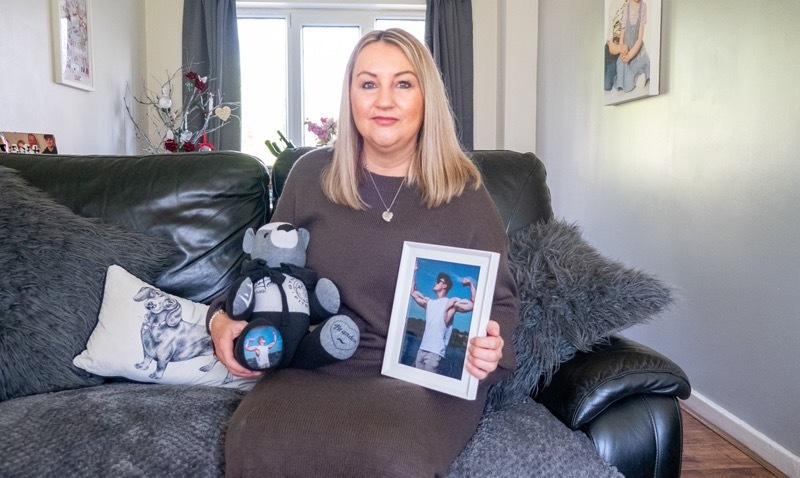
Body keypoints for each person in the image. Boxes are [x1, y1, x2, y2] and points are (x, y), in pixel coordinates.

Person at [208, 28, 519, 477]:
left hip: (424, 379)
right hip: (315, 361)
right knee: (255, 439)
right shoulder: (311, 175)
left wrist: (491, 347)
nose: (384, 101)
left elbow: (502, 302)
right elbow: (264, 272)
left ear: (426, 98)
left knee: (389, 454)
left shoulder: (465, 192)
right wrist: (219, 318)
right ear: (350, 96)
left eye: (404, 84)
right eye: (369, 83)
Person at [411, 268, 475, 373]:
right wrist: (413, 270)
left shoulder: (451, 303)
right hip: (421, 349)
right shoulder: (429, 302)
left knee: (425, 386)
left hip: (435, 353)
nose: (435, 282)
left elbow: (473, 304)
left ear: (444, 285)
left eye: (438, 281)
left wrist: (471, 284)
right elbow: (412, 292)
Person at [614, 0, 651, 93]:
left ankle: (638, 76)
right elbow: (622, 36)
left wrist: (630, 55)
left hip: (636, 51)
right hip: (626, 50)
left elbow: (639, 40)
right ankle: (636, 78)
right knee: (621, 64)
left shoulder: (643, 6)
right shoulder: (626, 7)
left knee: (628, 84)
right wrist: (623, 51)